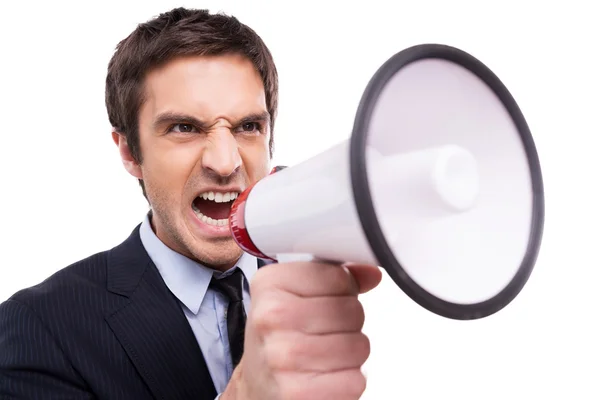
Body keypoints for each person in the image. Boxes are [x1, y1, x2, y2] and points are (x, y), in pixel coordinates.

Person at [0, 7, 382, 399]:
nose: (226, 162)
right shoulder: (38, 327)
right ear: (130, 152)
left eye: (249, 127)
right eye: (184, 127)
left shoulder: (308, 281)